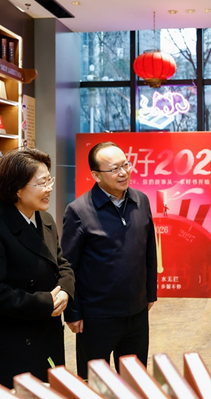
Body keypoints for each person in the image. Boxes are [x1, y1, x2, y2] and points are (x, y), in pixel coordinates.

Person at [0, 147, 75, 387]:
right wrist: (44, 303)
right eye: (42, 183)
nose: (49, 188)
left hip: (46, 332)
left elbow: (62, 264)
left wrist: (65, 292)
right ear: (17, 189)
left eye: (49, 180)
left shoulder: (45, 219)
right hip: (13, 343)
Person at [61, 142, 157, 378]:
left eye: (126, 165)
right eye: (114, 169)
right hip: (97, 317)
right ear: (96, 175)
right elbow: (68, 266)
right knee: (96, 383)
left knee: (135, 380)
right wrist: (72, 312)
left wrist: (149, 293)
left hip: (136, 313)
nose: (123, 173)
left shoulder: (141, 201)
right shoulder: (78, 211)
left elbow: (149, 251)